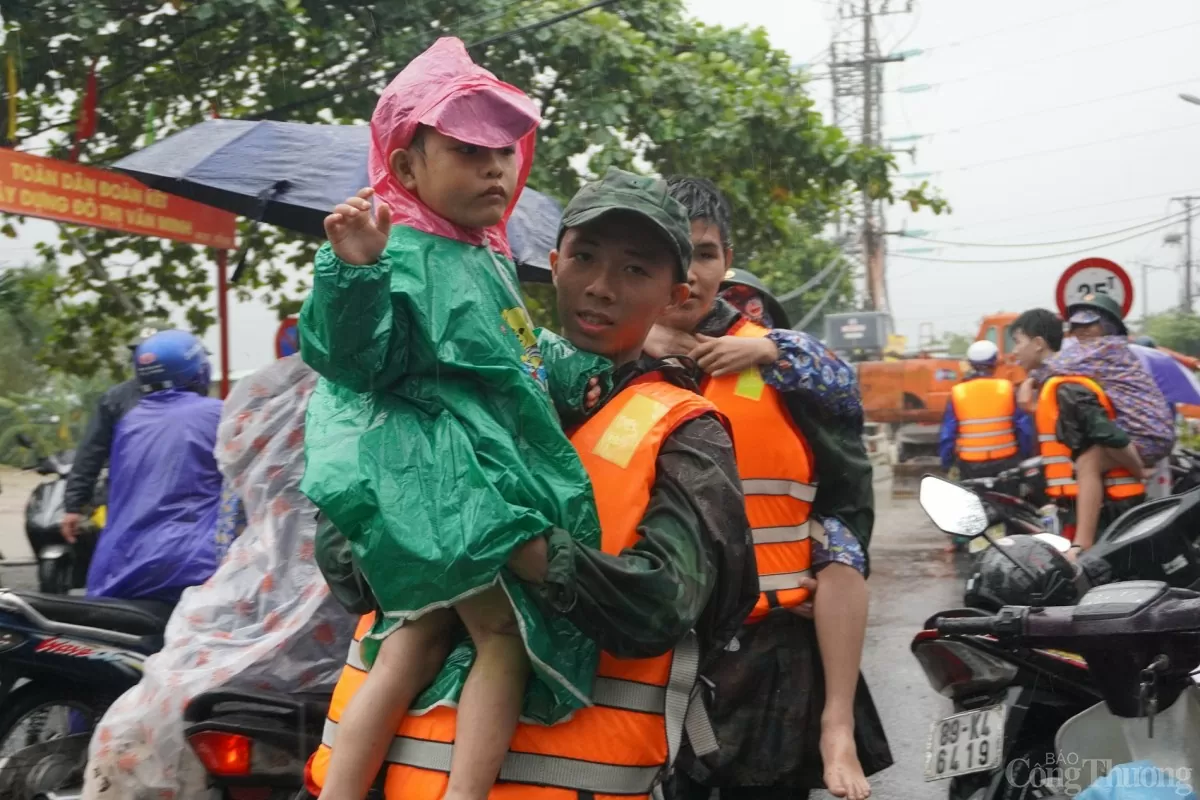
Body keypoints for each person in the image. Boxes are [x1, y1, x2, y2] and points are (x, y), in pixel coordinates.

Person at [303, 167, 757, 800]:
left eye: (635, 270)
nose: (600, 287)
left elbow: (664, 602)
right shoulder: (469, 374)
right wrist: (420, 521)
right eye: (586, 258)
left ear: (676, 295)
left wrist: (515, 545)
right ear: (553, 263)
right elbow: (342, 560)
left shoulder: (685, 431)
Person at [298, 38, 609, 800]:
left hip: (455, 481)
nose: (495, 168)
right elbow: (353, 359)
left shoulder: (480, 252)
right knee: (501, 636)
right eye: (469, 150)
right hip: (447, 483)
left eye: (504, 150)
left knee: (420, 632)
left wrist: (590, 369)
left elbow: (517, 354)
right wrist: (356, 272)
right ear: (406, 167)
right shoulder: (400, 250)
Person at [646, 176, 890, 800]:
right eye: (672, 250)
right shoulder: (607, 357)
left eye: (704, 253)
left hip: (772, 648)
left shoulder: (781, 358)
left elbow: (848, 480)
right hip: (653, 645)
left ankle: (836, 726)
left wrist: (773, 352)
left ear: (726, 259)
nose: (689, 272)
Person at [82, 354, 357, 800]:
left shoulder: (140, 416)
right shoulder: (354, 520)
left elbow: (232, 516)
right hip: (187, 566)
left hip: (121, 565)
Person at [86, 329, 224, 604]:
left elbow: (90, 456)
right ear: (199, 372)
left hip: (115, 570)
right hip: (189, 566)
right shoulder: (218, 413)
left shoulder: (130, 422)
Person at [1011, 307, 1155, 554]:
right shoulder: (1052, 384)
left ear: (1037, 343)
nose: (1014, 351)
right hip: (1087, 507)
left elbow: (1109, 436)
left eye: (1017, 342)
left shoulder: (1066, 385)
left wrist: (1137, 470)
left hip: (1108, 512)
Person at [61, 319, 172, 545]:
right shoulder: (116, 400)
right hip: (128, 505)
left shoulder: (197, 398)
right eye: (141, 352)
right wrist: (74, 505)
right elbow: (91, 452)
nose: (147, 358)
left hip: (183, 504)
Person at [938, 339, 1034, 479]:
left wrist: (947, 464)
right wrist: (1025, 456)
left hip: (970, 467)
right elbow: (1023, 428)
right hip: (1006, 463)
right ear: (995, 363)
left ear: (970, 364)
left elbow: (948, 435)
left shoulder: (958, 392)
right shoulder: (1007, 388)